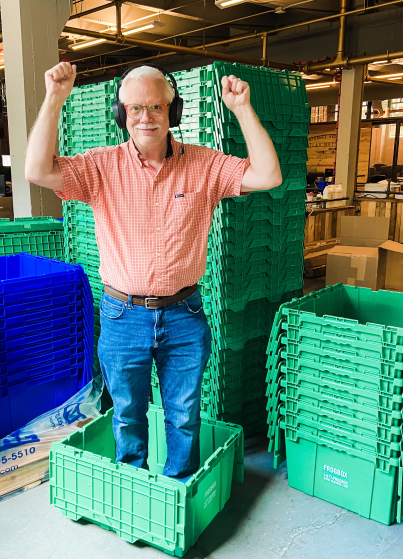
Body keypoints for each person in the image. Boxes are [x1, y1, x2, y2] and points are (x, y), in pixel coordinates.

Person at [25, 62, 282, 482]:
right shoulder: (100, 167)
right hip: (123, 316)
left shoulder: (204, 164)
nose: (146, 118)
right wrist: (54, 98)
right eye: (135, 109)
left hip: (184, 314)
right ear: (121, 113)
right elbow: (37, 171)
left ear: (173, 111)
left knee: (183, 414)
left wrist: (242, 109)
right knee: (127, 414)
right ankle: (134, 486)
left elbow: (269, 175)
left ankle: (178, 490)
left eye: (157, 108)